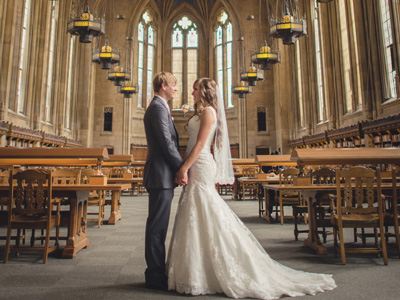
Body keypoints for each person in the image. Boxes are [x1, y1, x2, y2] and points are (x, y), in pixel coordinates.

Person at [166, 78, 336, 299]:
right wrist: (185, 165)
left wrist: (184, 168)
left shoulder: (209, 112)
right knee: (198, 212)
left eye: (196, 89)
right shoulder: (201, 112)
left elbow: (200, 145)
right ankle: (196, 269)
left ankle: (214, 267)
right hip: (195, 163)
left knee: (204, 209)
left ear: (206, 92)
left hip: (200, 163)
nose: (192, 92)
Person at [143, 71, 187, 291]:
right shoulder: (158, 108)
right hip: (160, 176)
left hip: (162, 176)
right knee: (157, 228)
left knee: (159, 226)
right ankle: (154, 275)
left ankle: (156, 270)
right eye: (173, 85)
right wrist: (182, 168)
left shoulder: (161, 107)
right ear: (163, 86)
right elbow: (167, 144)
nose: (176, 89)